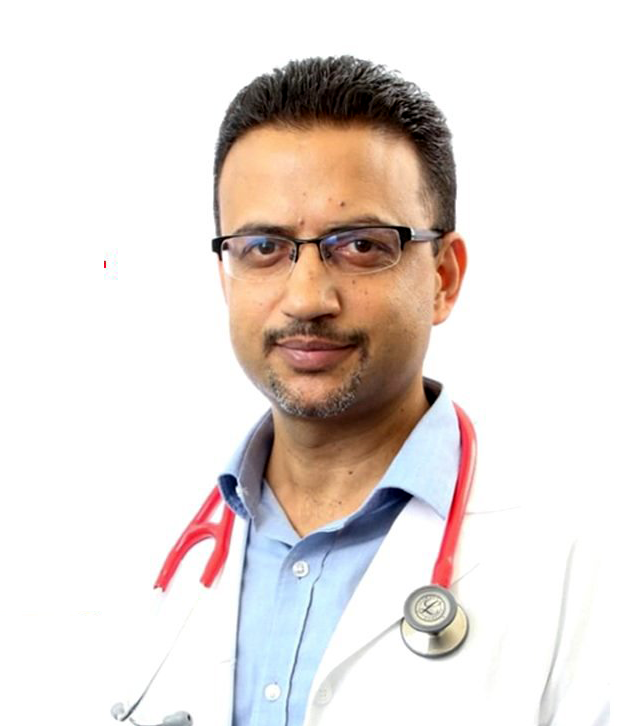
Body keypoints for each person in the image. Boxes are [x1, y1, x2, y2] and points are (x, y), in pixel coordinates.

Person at [110, 56, 608, 726]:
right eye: (263, 247)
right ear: (227, 276)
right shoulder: (145, 547)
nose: (306, 297)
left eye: (361, 246)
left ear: (443, 277)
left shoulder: (579, 555)